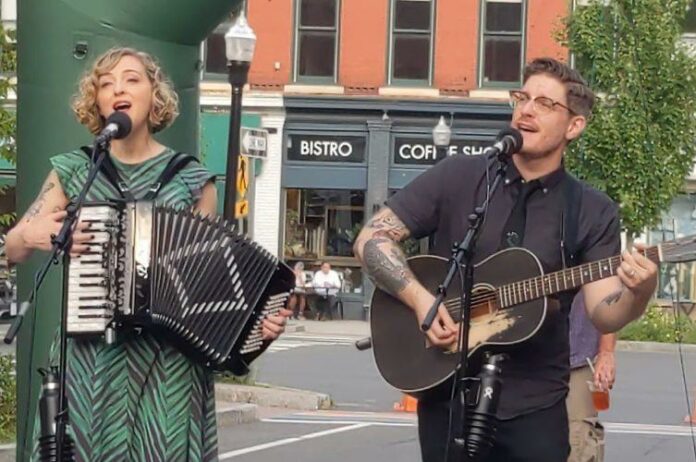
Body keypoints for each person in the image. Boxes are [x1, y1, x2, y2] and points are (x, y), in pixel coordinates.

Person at [353, 57, 658, 461]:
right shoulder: (459, 176)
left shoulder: (591, 209)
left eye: (545, 104)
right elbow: (371, 239)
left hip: (537, 404)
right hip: (449, 394)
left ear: (574, 126)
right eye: (522, 98)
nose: (526, 110)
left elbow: (604, 313)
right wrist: (420, 299)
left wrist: (639, 293)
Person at [5, 47, 291, 461]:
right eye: (106, 84)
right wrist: (33, 233)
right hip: (91, 364)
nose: (118, 89)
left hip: (169, 368)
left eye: (132, 79)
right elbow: (12, 248)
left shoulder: (191, 180)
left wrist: (255, 326)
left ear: (154, 94)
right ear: (97, 102)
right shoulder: (74, 171)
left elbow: (212, 286)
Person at [567, 291, 616, 462]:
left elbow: (609, 296)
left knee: (578, 441)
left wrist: (606, 352)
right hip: (522, 359)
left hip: (579, 357)